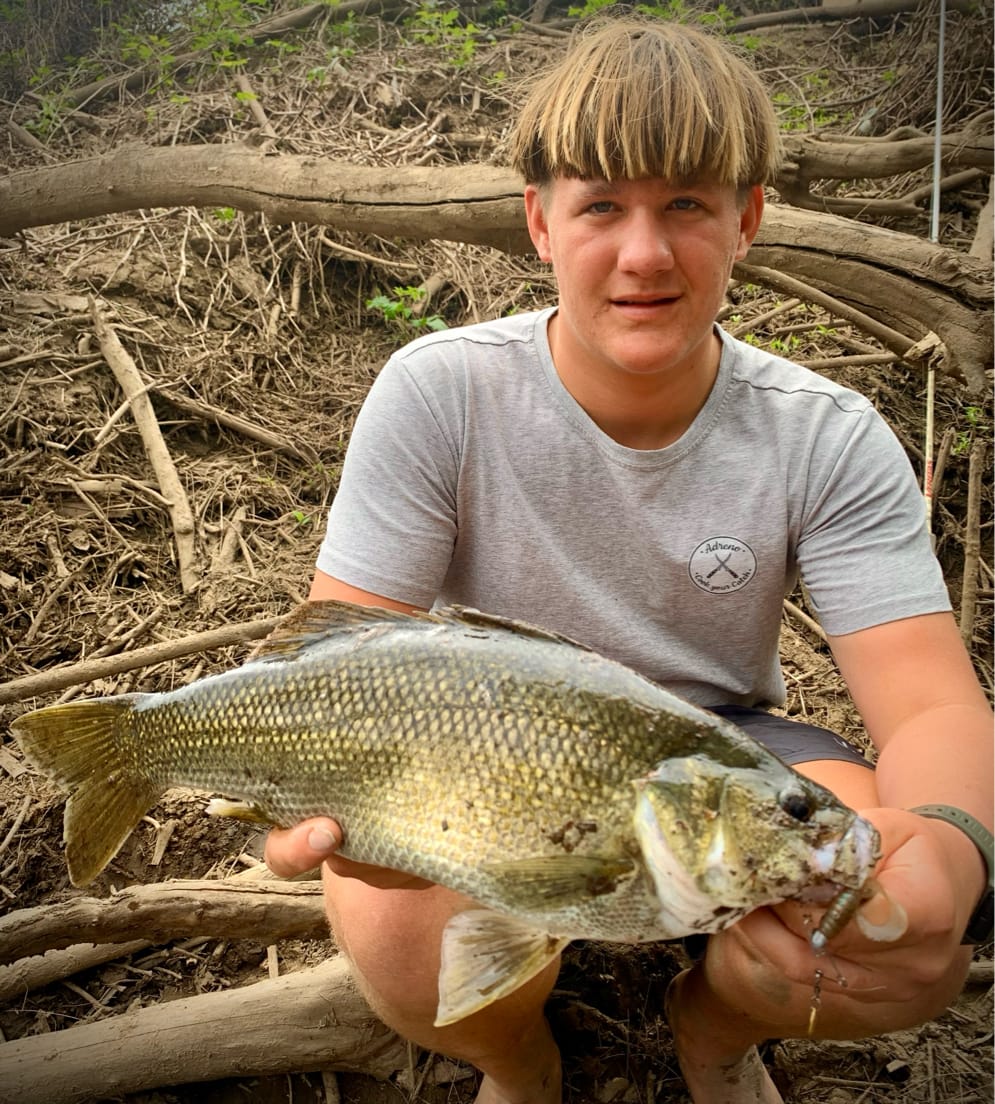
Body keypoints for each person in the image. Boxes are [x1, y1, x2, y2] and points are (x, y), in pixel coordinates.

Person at [264, 18, 994, 1104]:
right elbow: (346, 653)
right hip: (489, 739)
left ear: (746, 219)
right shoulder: (438, 393)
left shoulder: (823, 433)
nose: (643, 253)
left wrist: (945, 846)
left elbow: (931, 704)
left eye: (686, 205)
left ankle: (710, 1031)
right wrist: (327, 799)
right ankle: (518, 1062)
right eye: (600, 205)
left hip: (719, 740)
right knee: (395, 927)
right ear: (538, 223)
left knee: (855, 936)